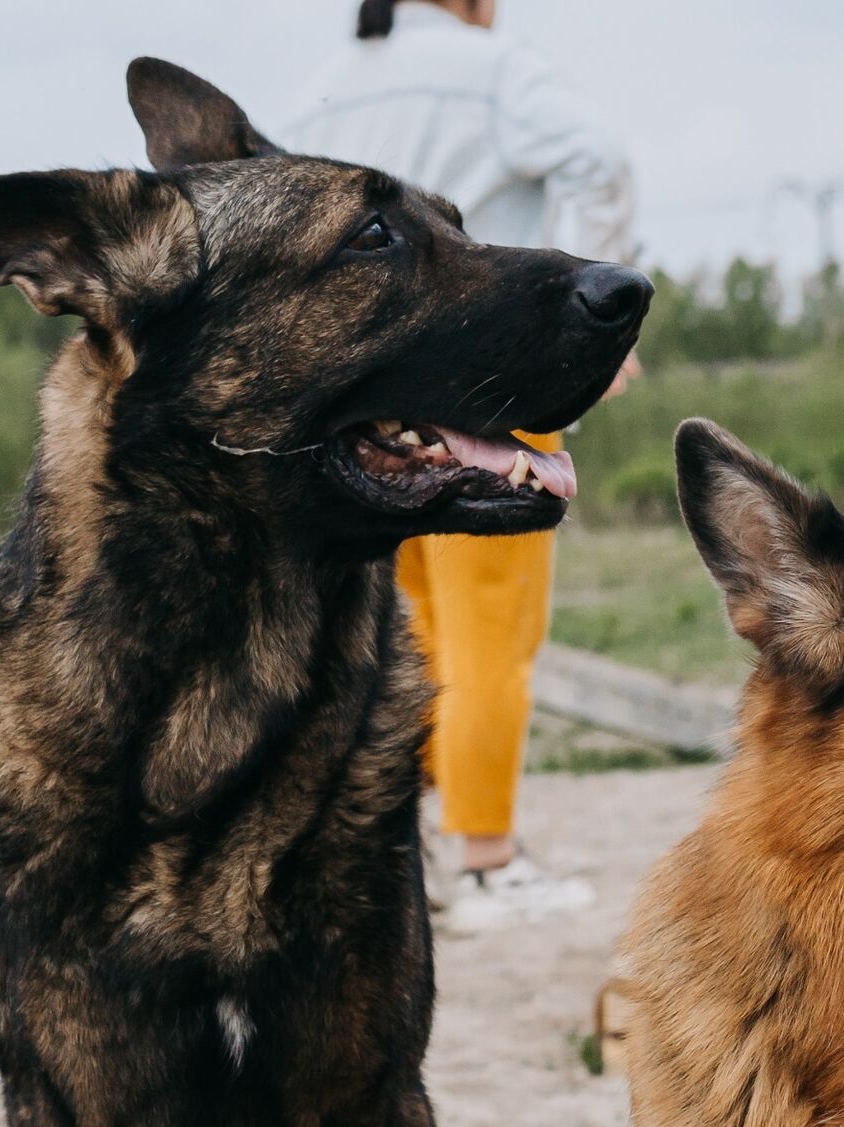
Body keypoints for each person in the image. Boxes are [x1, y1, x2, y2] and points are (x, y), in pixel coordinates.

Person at [282, 0, 638, 932]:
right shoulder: (495, 70)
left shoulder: (324, 93)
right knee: (491, 636)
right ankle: (488, 859)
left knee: (393, 632)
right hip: (495, 373)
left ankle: (409, 853)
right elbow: (599, 157)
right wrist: (597, 303)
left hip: (369, 405)